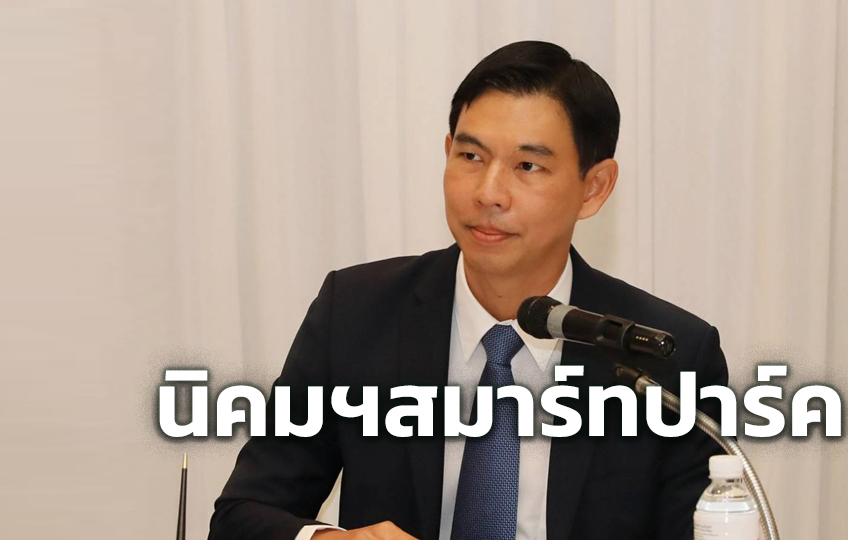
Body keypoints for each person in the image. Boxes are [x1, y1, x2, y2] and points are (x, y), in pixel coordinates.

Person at [210, 40, 728, 540]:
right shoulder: (355, 313)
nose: (488, 193)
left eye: (527, 166)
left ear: (593, 188)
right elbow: (241, 516)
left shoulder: (667, 358)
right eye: (471, 156)